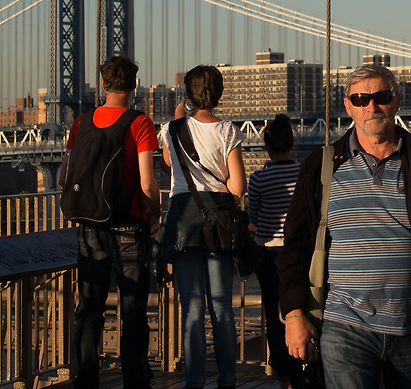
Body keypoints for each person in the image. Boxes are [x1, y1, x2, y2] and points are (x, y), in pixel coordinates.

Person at [279, 64, 411, 389]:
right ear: (348, 106)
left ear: (397, 101)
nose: (372, 106)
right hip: (344, 326)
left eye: (381, 96)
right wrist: (295, 313)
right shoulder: (320, 166)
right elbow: (296, 247)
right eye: (360, 99)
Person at [61, 55, 160, 389]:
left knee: (89, 307)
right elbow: (148, 184)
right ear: (134, 85)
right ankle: (136, 381)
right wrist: (156, 212)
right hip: (129, 226)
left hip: (89, 228)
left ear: (103, 84)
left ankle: (85, 379)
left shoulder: (81, 122)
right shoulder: (140, 123)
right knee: (132, 310)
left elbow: (63, 177)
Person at [160, 64, 247, 389]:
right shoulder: (228, 132)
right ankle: (228, 380)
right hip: (219, 222)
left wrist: (179, 118)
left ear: (188, 94)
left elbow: (169, 164)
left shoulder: (171, 129)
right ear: (219, 93)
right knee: (222, 307)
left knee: (192, 307)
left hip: (183, 222)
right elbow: (238, 187)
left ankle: (193, 381)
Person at [248, 114, 302, 389]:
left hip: (268, 253)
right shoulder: (304, 173)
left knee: (273, 313)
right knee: (300, 310)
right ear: (291, 143)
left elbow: (253, 217)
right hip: (297, 252)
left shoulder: (258, 178)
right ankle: (303, 369)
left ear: (266, 146)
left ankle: (284, 377)